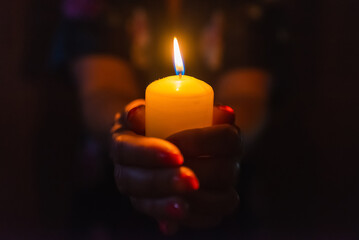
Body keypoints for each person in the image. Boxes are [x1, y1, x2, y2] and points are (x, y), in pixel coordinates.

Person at [53, 0, 283, 237]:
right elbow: (101, 91)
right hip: (115, 202)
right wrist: (128, 129)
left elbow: (247, 96)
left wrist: (220, 146)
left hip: (225, 194)